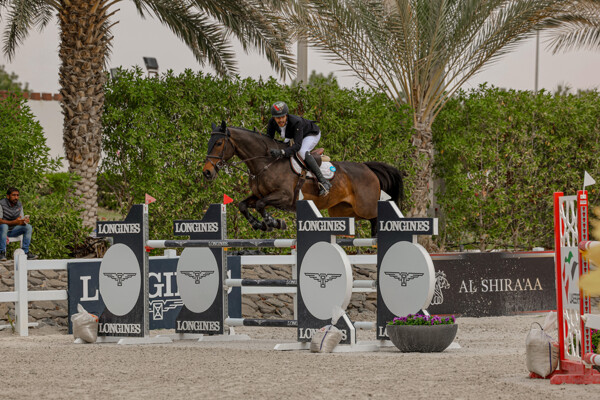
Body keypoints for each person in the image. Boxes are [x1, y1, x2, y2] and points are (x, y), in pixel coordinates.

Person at [266, 101, 332, 196]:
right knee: (284, 147)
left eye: (282, 117)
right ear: (273, 118)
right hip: (293, 134)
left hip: (310, 134)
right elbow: (269, 139)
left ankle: (324, 182)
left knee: (301, 151)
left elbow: (297, 146)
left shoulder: (296, 121)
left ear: (286, 116)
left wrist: (282, 152)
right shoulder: (272, 122)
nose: (280, 120)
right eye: (277, 118)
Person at [0, 187, 38, 261]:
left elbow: (20, 219)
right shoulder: (1, 204)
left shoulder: (19, 205)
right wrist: (14, 222)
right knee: (4, 226)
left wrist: (23, 222)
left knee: (28, 227)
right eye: (13, 195)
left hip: (13, 231)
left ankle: (25, 252)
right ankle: (1, 253)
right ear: (8, 196)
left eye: (17, 195)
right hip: (2, 231)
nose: (16, 197)